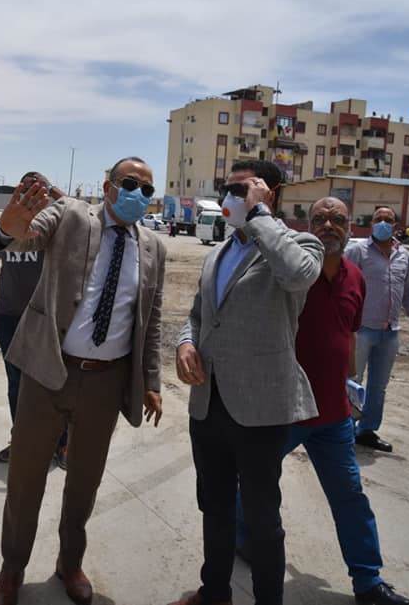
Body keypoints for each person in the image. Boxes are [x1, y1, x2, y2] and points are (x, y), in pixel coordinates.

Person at [0, 157, 166, 605]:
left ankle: (70, 563)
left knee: (85, 480)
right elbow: (26, 234)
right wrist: (9, 226)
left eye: (147, 190)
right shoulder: (69, 215)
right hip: (49, 370)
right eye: (130, 184)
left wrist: (151, 380)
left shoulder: (153, 247)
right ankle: (12, 567)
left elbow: (152, 319)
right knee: (26, 478)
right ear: (108, 187)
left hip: (107, 381)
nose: (138, 195)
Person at [236, 197, 409, 605]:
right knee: (254, 483)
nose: (328, 225)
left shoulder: (356, 278)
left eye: (338, 220)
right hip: (284, 409)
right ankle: (242, 537)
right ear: (307, 227)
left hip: (333, 416)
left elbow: (349, 334)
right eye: (319, 219)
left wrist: (351, 385)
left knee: (350, 497)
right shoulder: (291, 274)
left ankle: (368, 582)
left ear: (351, 228)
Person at [170, 159, 323, 605]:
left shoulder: (299, 244)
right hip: (209, 403)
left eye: (242, 189)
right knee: (214, 507)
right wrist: (185, 343)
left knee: (261, 518)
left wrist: (260, 217)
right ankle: (214, 592)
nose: (229, 197)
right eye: (228, 188)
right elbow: (198, 315)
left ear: (269, 193)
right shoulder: (218, 252)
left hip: (260, 408)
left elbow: (298, 275)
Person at [0, 171, 68, 468]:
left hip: (48, 318)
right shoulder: (5, 226)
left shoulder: (55, 226)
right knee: (16, 384)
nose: (32, 195)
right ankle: (22, 439)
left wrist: (54, 191)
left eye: (39, 190)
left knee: (53, 382)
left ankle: (62, 443)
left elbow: (85, 214)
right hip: (10, 317)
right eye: (26, 189)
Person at [345, 206, 409, 453]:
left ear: (395, 225)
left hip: (390, 332)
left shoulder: (403, 255)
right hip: (361, 329)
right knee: (352, 382)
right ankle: (344, 431)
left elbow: (407, 293)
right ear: (371, 223)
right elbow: (341, 284)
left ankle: (366, 431)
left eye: (387, 219)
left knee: (378, 387)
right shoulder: (357, 251)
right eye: (378, 218)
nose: (382, 222)